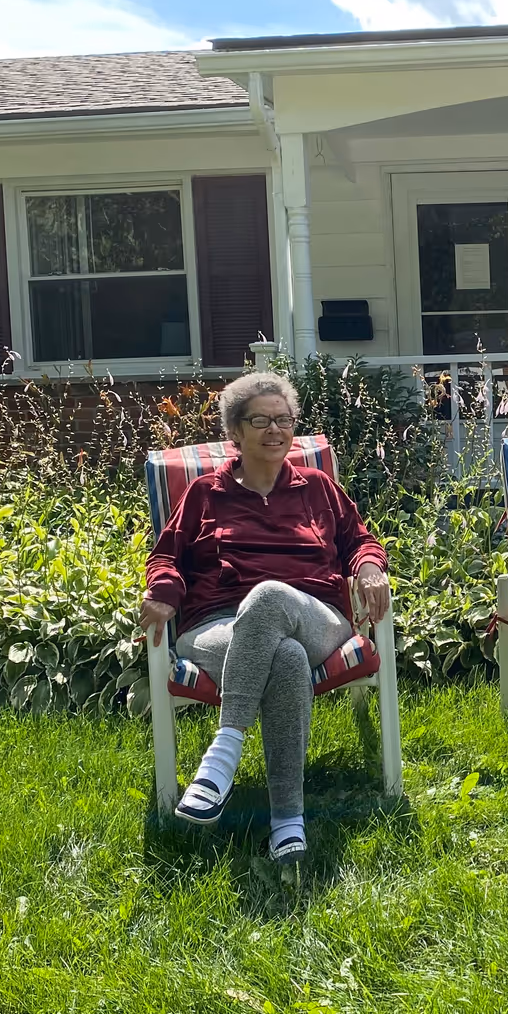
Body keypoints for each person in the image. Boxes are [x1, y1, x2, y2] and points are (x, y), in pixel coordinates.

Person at [140, 371, 391, 866]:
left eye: (284, 420)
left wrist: (368, 568)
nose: (276, 430)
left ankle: (223, 753)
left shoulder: (318, 487)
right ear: (234, 431)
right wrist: (165, 591)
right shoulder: (204, 493)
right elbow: (165, 556)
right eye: (261, 420)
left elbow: (360, 540)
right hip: (218, 626)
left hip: (314, 616)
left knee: (271, 597)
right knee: (286, 658)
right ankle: (287, 821)